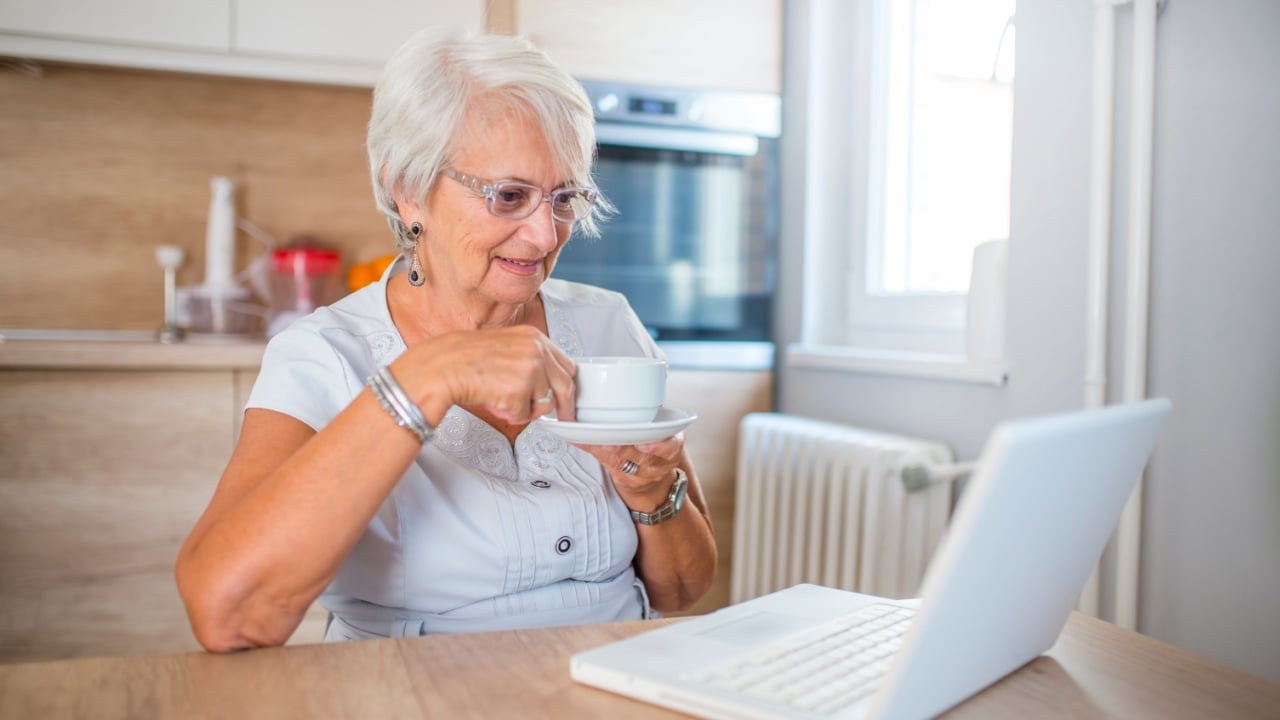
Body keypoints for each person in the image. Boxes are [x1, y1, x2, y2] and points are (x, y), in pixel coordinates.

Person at [175, 28, 717, 652]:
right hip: (414, 687)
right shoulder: (323, 355)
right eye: (508, 196)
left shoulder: (608, 324)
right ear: (409, 188)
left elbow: (682, 590)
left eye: (564, 197)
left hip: (613, 674)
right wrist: (426, 376)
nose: (545, 236)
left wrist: (653, 496)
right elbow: (230, 615)